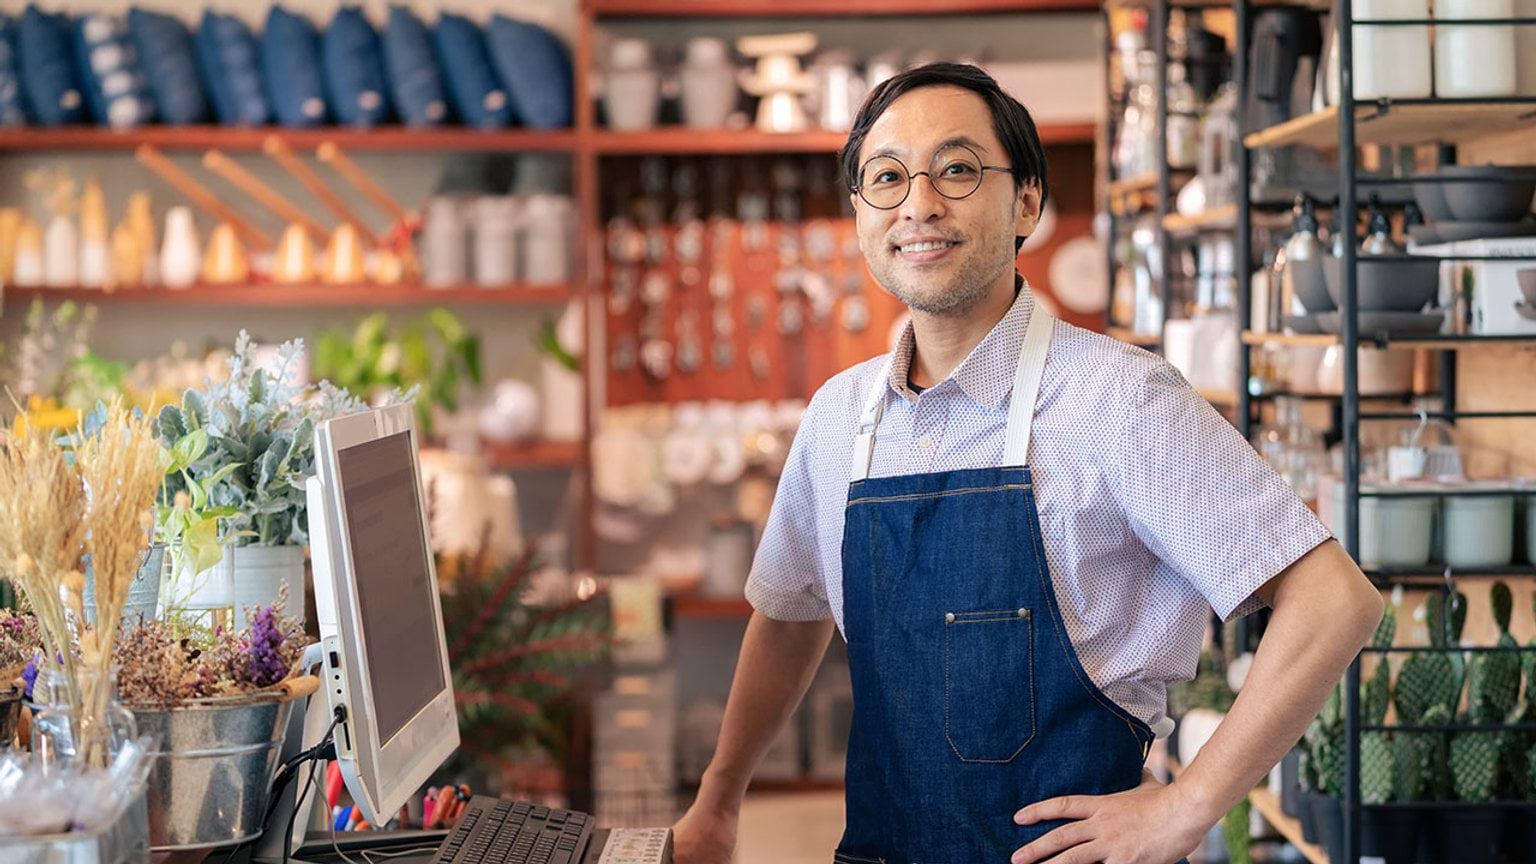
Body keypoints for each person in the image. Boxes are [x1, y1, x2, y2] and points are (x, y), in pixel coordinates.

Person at [670, 63, 1383, 864]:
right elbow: (787, 616)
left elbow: (1334, 600)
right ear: (862, 213)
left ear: (1028, 204)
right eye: (887, 178)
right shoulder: (840, 417)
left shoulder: (1121, 400)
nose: (919, 204)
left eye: (959, 169)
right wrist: (720, 800)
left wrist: (1187, 807)